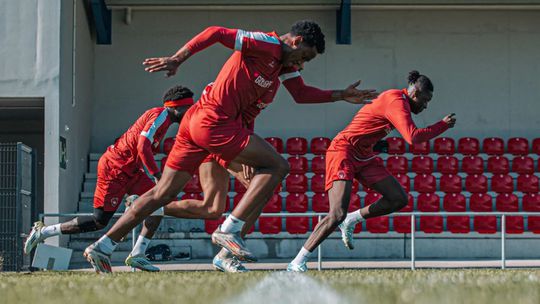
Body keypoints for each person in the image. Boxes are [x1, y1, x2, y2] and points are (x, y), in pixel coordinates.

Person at [84, 20, 377, 274]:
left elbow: (300, 94)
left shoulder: (280, 68)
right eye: (305, 57)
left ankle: (103, 245)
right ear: (296, 41)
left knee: (165, 194)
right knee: (278, 166)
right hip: (212, 123)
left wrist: (341, 95)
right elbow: (215, 32)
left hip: (202, 126)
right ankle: (228, 231)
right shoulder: (266, 44)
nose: (302, 65)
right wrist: (178, 58)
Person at [287, 70, 457, 272]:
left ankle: (352, 219)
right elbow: (412, 137)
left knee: (398, 198)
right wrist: (442, 125)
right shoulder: (396, 100)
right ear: (415, 93)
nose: (426, 105)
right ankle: (297, 262)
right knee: (337, 212)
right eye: (425, 100)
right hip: (344, 151)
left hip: (364, 154)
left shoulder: (399, 101)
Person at [24, 85, 195, 272]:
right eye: (189, 108)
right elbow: (142, 145)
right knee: (99, 221)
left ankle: (137, 254)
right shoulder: (160, 115)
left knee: (157, 205)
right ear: (176, 106)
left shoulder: (166, 122)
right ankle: (44, 232)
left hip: (132, 169)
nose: (190, 112)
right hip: (115, 167)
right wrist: (157, 175)